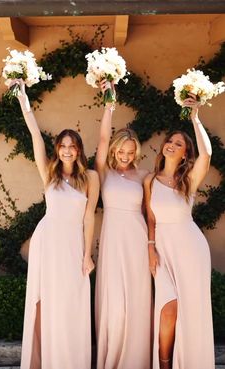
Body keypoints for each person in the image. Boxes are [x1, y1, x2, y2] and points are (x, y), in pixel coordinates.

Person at [12, 80, 99, 369]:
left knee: (72, 301)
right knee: (48, 301)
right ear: (57, 149)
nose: (66, 151)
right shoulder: (49, 174)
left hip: (74, 243)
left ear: (78, 150)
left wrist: (87, 255)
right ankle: (47, 360)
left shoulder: (90, 178)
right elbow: (36, 136)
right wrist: (24, 100)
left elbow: (88, 217)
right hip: (48, 241)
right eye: (62, 146)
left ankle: (72, 361)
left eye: (72, 147)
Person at [144, 94, 215, 369]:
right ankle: (164, 365)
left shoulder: (188, 181)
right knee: (168, 306)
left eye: (178, 144)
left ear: (185, 152)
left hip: (191, 248)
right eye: (170, 142)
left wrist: (195, 117)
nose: (172, 145)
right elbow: (149, 216)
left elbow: (207, 154)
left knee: (192, 311)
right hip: (162, 249)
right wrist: (150, 247)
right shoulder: (150, 180)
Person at [95, 81, 152, 369]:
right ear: (115, 149)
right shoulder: (103, 172)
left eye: (131, 152)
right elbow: (102, 140)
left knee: (138, 299)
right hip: (112, 240)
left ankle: (136, 361)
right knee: (115, 304)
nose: (126, 156)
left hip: (138, 241)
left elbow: (152, 213)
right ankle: (113, 358)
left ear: (136, 152)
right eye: (122, 151)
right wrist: (109, 103)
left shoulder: (144, 175)